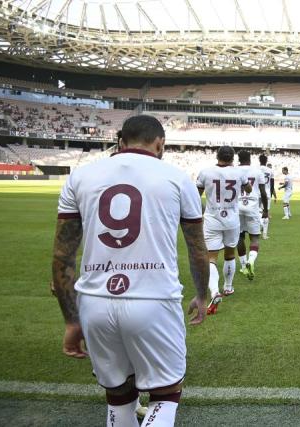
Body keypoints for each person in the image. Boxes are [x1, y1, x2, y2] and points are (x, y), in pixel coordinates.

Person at [52, 115, 210, 427]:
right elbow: (197, 249)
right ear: (160, 143)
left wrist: (72, 320)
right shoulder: (177, 178)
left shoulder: (80, 177)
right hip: (154, 300)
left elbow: (62, 256)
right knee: (165, 395)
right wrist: (202, 295)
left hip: (94, 301)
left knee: (119, 397)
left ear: (120, 141)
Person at [196, 146, 251, 312]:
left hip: (212, 218)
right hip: (232, 219)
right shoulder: (239, 173)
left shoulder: (205, 172)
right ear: (233, 158)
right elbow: (248, 189)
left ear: (217, 156)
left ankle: (214, 291)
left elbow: (195, 194)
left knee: (211, 257)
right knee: (229, 253)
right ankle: (228, 287)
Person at [236, 150, 269, 281]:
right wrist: (266, 210)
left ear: (238, 159)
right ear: (250, 159)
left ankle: (243, 266)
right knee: (254, 238)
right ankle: (251, 261)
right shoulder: (257, 172)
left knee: (240, 237)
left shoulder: (234, 171)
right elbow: (263, 192)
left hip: (237, 207)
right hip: (253, 207)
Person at [258, 157, 273, 239]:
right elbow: (272, 184)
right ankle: (264, 234)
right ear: (266, 161)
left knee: (257, 212)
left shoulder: (256, 169)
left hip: (258, 192)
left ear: (259, 161)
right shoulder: (270, 170)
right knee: (266, 212)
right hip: (267, 193)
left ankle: (259, 227)